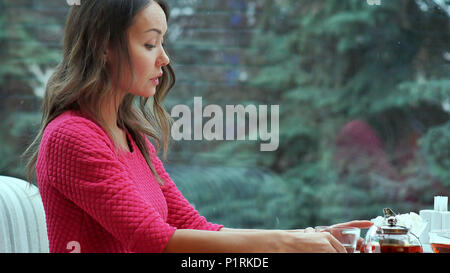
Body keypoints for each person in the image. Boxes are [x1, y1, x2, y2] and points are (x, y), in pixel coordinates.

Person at [24, 0, 372, 253]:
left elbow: (191, 226)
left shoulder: (133, 136)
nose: (164, 58)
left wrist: (309, 234)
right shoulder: (71, 136)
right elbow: (152, 240)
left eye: (162, 42)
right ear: (103, 46)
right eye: (149, 43)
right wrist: (286, 243)